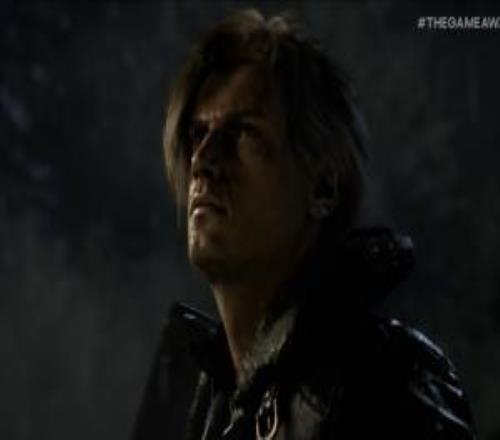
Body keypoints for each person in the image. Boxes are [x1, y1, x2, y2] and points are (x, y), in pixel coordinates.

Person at [133, 9, 476, 440]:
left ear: (322, 187)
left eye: (244, 132)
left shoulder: (384, 384)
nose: (204, 160)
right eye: (199, 134)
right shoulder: (199, 408)